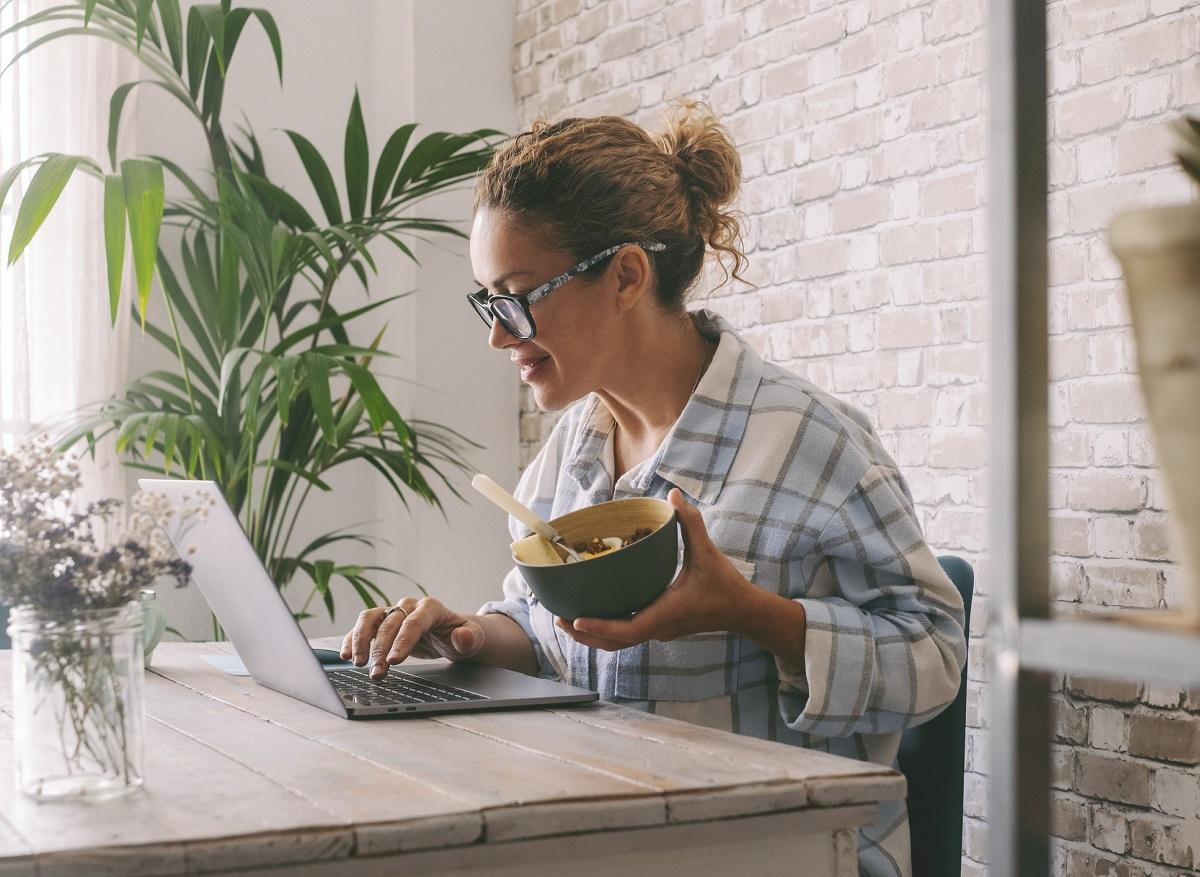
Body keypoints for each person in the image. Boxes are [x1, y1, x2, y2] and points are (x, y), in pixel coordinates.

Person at [341, 101, 966, 877]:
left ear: (626, 275)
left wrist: (753, 615)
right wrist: (468, 636)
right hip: (609, 842)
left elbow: (938, 658)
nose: (498, 334)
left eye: (515, 295)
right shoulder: (574, 444)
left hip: (785, 853)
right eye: (487, 300)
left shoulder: (812, 442)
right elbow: (539, 625)